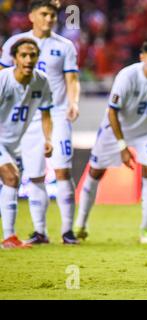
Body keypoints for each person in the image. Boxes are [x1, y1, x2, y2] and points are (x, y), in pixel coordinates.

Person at [74, 38, 147, 244]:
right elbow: (112, 112)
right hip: (114, 130)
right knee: (96, 171)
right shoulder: (127, 76)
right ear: (142, 58)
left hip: (146, 131)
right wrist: (122, 147)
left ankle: (145, 230)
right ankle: (81, 223)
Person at [0, 0, 81, 244]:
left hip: (55, 113)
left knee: (62, 170)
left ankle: (67, 231)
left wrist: (73, 103)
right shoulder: (14, 45)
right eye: (44, 14)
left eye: (53, 15)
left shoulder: (65, 46)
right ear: (32, 15)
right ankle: (39, 232)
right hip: (24, 118)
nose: (49, 19)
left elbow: (73, 79)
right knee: (34, 176)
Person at [0, 38, 53, 248]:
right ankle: (9, 237)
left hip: (14, 144)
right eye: (23, 55)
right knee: (12, 177)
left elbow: (46, 113)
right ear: (14, 59)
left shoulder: (42, 81)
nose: (28, 59)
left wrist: (48, 139)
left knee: (10, 182)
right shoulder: (3, 80)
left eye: (32, 55)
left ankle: (9, 236)